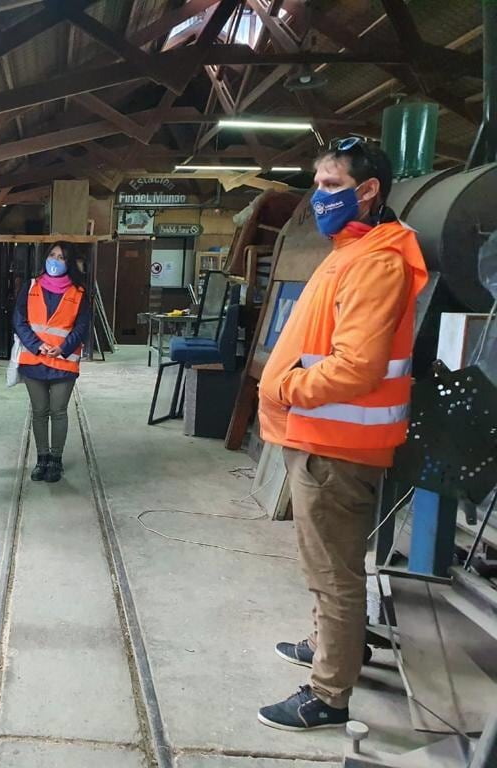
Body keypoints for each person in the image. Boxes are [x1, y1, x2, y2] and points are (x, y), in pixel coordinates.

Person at [257, 138, 427, 731]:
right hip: (321, 440)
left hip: (335, 447)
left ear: (368, 189)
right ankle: (335, 645)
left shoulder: (376, 260)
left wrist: (284, 388)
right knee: (330, 566)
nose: (319, 197)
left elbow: (356, 366)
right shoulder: (352, 248)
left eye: (331, 186)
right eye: (319, 184)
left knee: (334, 574)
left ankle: (329, 694)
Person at [13, 242, 92, 483]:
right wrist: (37, 345)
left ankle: (55, 461)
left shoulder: (79, 292)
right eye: (52, 255)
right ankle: (42, 459)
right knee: (39, 412)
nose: (55, 260)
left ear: (69, 263)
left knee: (58, 412)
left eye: (61, 257)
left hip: (63, 362)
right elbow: (19, 321)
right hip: (34, 360)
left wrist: (63, 347)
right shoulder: (30, 287)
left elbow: (82, 327)